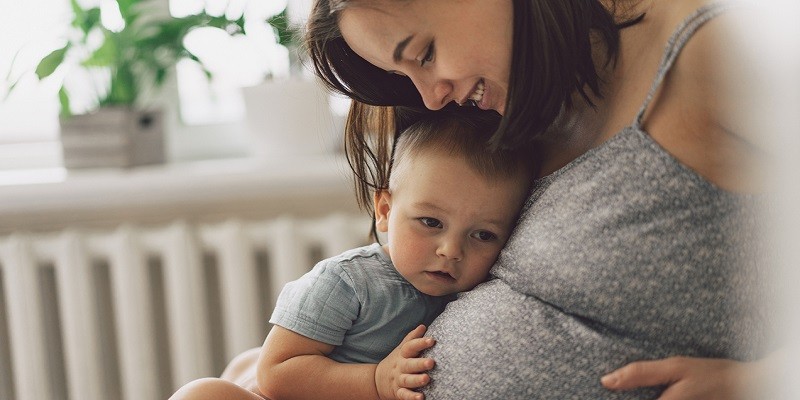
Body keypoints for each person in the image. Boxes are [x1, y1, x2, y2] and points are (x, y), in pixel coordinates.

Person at [291, 0, 772, 398]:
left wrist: (760, 381)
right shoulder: (519, 101)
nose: (431, 98)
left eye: (425, 52)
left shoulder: (713, 52)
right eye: (402, 75)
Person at [170, 110, 535, 400]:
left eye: (483, 235)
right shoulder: (347, 282)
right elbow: (276, 372)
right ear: (385, 210)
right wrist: (375, 380)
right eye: (430, 221)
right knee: (204, 394)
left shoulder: (480, 294)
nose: (451, 250)